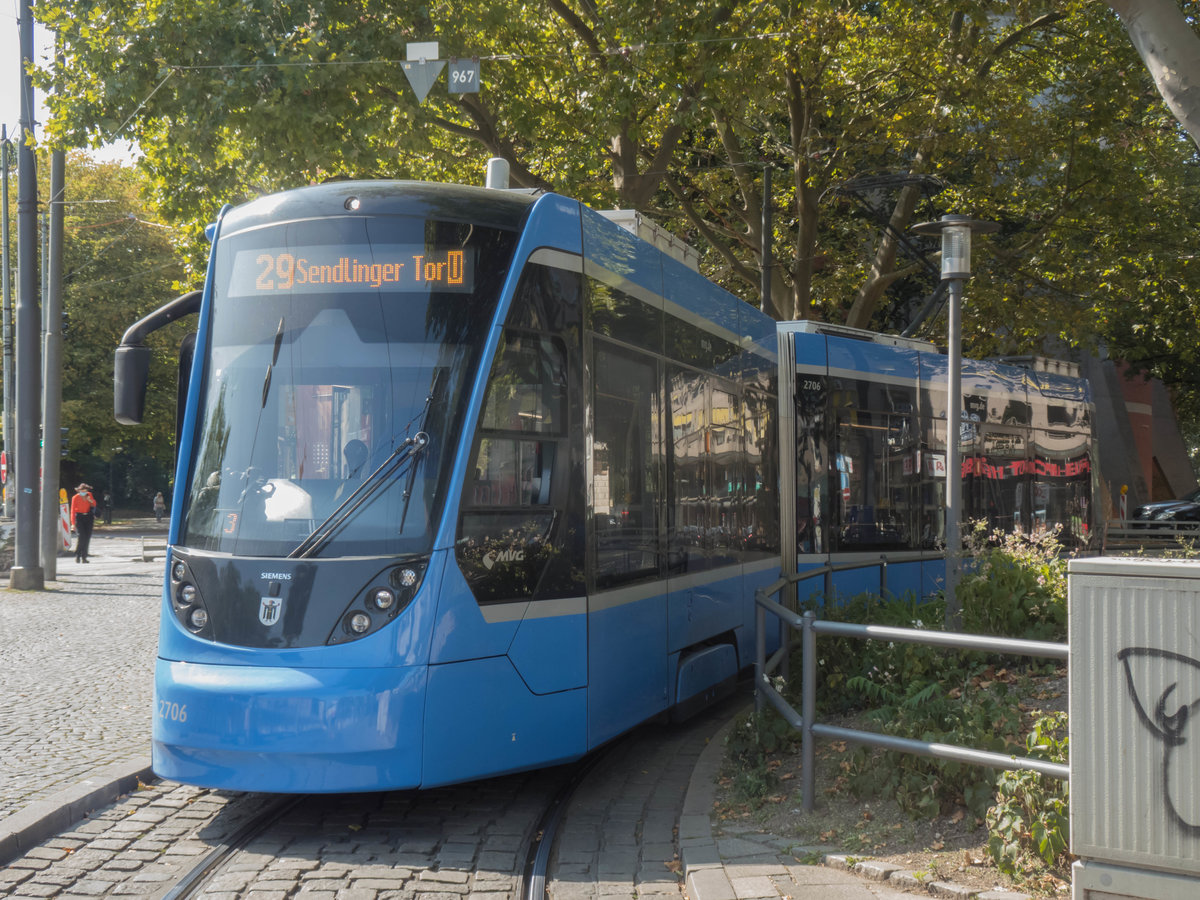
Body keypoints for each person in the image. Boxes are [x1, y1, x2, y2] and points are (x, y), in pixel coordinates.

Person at [71, 483, 97, 563]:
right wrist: (73, 523)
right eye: (82, 491)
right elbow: (72, 511)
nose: (84, 492)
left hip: (88, 517)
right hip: (79, 517)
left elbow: (94, 504)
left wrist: (90, 499)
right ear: (79, 490)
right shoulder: (75, 497)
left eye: (85, 491)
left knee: (87, 537)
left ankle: (84, 557)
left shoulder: (89, 495)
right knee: (81, 537)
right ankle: (78, 554)